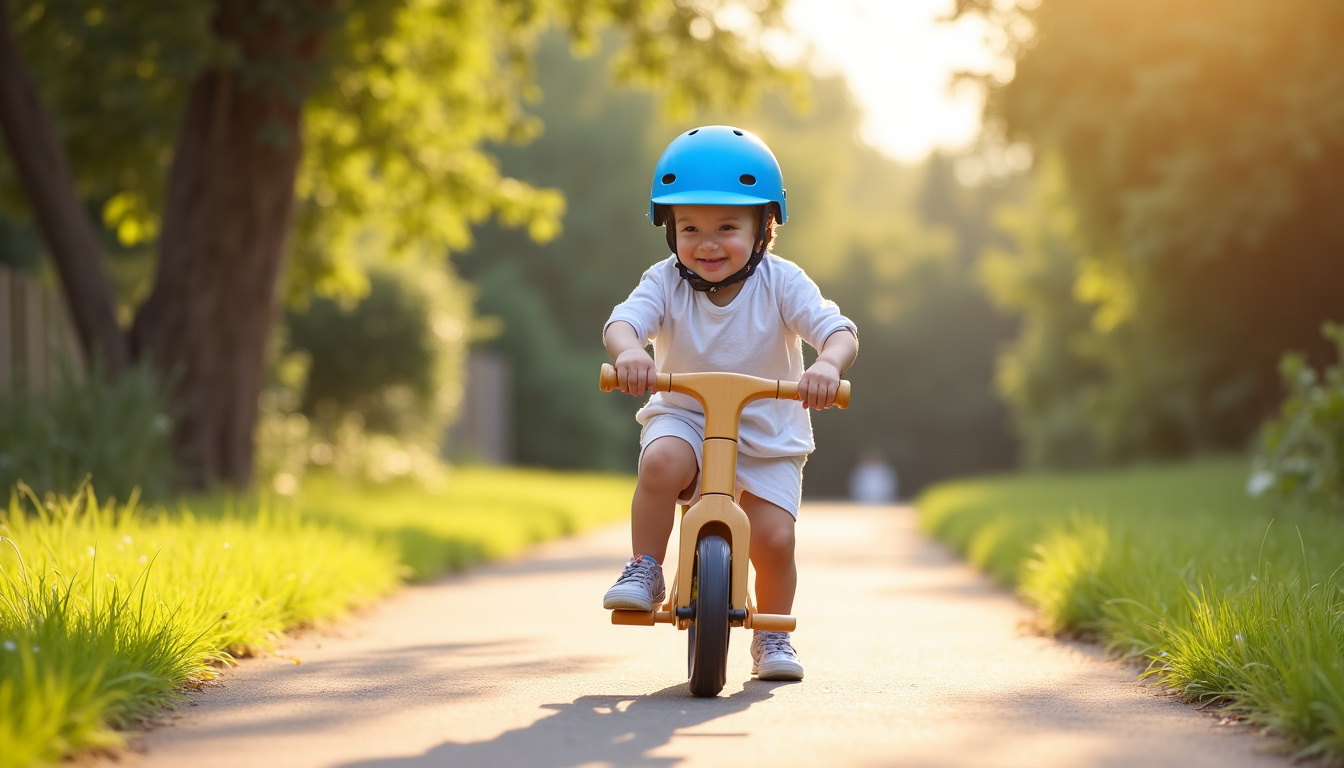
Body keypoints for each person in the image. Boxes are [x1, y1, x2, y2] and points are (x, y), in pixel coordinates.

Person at [601, 125, 859, 682]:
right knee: (660, 462)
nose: (707, 243)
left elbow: (837, 330)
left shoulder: (781, 282)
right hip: (686, 415)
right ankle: (646, 568)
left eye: (727, 227)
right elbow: (624, 322)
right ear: (670, 231)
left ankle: (772, 633)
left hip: (767, 430)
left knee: (773, 538)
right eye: (690, 227)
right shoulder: (664, 281)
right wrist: (629, 355)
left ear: (764, 228)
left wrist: (826, 365)